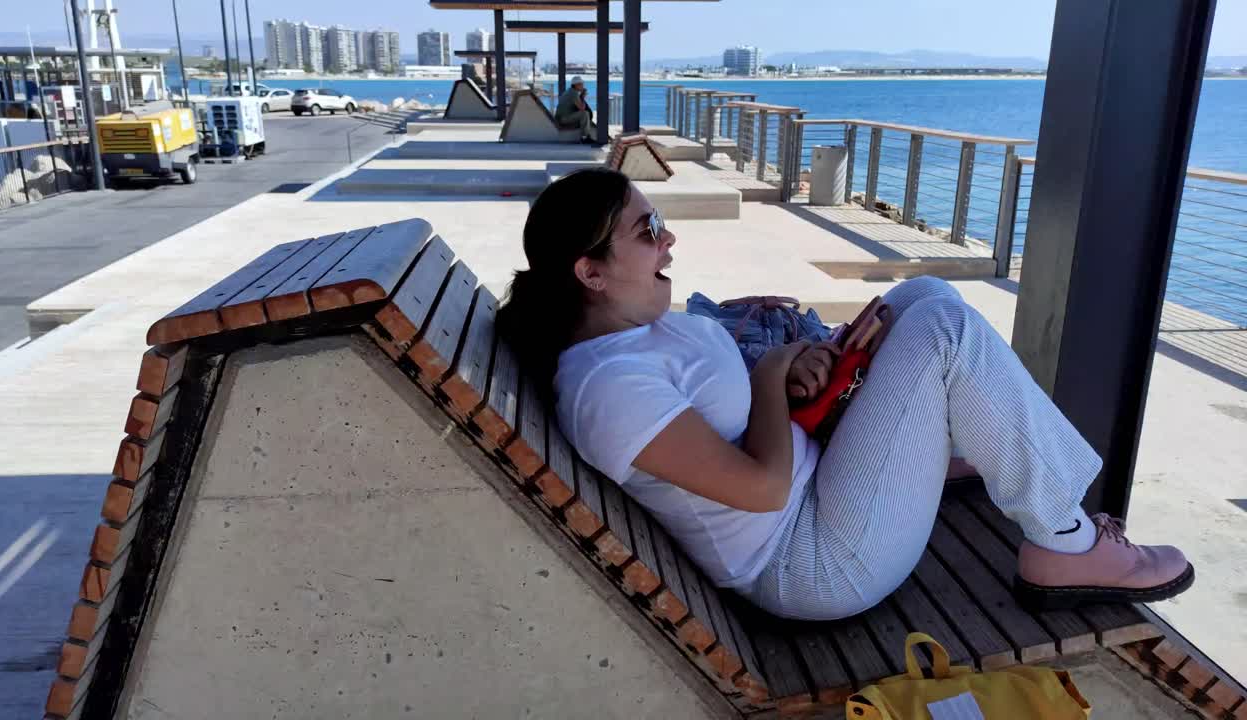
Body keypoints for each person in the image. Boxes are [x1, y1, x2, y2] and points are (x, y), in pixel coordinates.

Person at [495, 167, 1194, 621]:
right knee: (945, 329)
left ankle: (966, 453)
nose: (669, 239)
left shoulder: (641, 328)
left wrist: (795, 362)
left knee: (921, 296)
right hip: (814, 560)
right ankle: (1064, 541)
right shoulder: (607, 391)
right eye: (647, 231)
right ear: (590, 272)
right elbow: (764, 489)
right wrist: (771, 381)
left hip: (820, 483)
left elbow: (729, 410)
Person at [554, 76, 594, 142]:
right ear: (576, 85)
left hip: (561, 118)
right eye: (581, 84)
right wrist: (583, 96)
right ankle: (584, 137)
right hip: (564, 119)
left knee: (585, 117)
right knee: (585, 114)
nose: (583, 86)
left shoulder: (570, 91)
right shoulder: (574, 93)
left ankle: (585, 135)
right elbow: (582, 108)